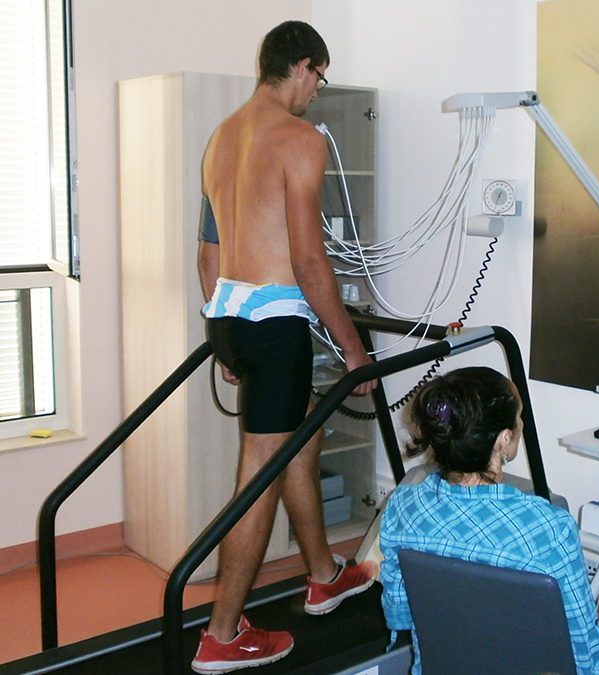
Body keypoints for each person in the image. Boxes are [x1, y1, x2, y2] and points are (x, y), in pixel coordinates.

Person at [191, 20, 377, 674]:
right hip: (274, 325)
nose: (317, 91)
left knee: (302, 437)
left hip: (231, 317)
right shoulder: (300, 138)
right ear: (301, 65)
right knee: (259, 474)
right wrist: (354, 350)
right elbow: (307, 259)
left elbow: (208, 253)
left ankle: (323, 573)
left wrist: (226, 337)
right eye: (319, 77)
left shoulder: (223, 137)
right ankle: (222, 633)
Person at [379, 367, 599, 675]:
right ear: (505, 439)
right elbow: (585, 653)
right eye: (518, 417)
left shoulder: (401, 505)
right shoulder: (549, 526)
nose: (521, 423)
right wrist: (597, 642)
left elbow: (399, 613)